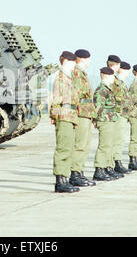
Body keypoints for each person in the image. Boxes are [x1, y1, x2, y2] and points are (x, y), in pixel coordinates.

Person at [50, 51, 81, 193]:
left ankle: (65, 179)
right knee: (63, 148)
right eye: (74, 62)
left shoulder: (68, 78)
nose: (75, 65)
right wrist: (54, 115)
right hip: (64, 116)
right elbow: (55, 99)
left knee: (68, 148)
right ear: (67, 62)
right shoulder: (61, 78)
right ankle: (60, 181)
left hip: (70, 116)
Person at [70, 49, 96, 187]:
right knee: (80, 145)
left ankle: (79, 172)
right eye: (88, 59)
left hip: (86, 113)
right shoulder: (76, 72)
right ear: (82, 59)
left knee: (85, 145)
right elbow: (77, 95)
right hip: (81, 113)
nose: (89, 62)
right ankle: (75, 174)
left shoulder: (81, 73)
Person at [92, 67, 120, 181]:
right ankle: (99, 169)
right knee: (104, 145)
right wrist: (97, 120)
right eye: (113, 76)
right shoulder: (101, 90)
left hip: (110, 119)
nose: (114, 78)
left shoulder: (108, 89)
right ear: (107, 76)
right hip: (105, 120)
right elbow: (98, 107)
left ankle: (107, 167)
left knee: (110, 144)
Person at [112, 61, 132, 174]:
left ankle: (117, 161)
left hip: (123, 114)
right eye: (127, 70)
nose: (128, 73)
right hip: (118, 113)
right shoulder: (116, 82)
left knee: (120, 139)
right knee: (117, 139)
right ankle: (115, 162)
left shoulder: (122, 83)